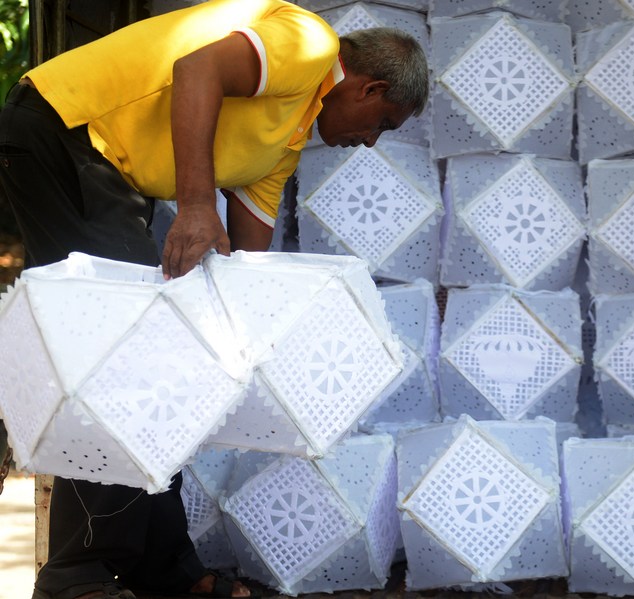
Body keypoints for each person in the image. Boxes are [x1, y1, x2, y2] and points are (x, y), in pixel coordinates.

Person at [0, 0, 429, 597]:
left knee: (161, 358)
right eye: (383, 123)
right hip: (65, 130)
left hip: (106, 167)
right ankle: (75, 576)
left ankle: (164, 567)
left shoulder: (283, 144)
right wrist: (199, 205)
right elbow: (197, 68)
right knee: (120, 356)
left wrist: (248, 347)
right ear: (370, 88)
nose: (370, 142)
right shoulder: (309, 43)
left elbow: (243, 272)